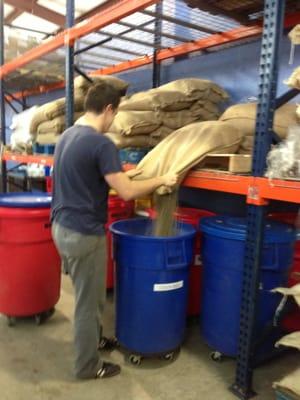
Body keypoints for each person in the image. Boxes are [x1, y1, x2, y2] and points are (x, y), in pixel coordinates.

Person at [51, 82, 178, 380]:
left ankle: (94, 341)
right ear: (109, 109)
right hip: (84, 234)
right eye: (116, 113)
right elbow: (127, 193)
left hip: (61, 228)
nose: (115, 120)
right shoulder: (101, 143)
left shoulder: (67, 136)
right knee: (89, 304)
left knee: (87, 296)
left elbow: (93, 177)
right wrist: (162, 179)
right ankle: (87, 366)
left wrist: (125, 174)